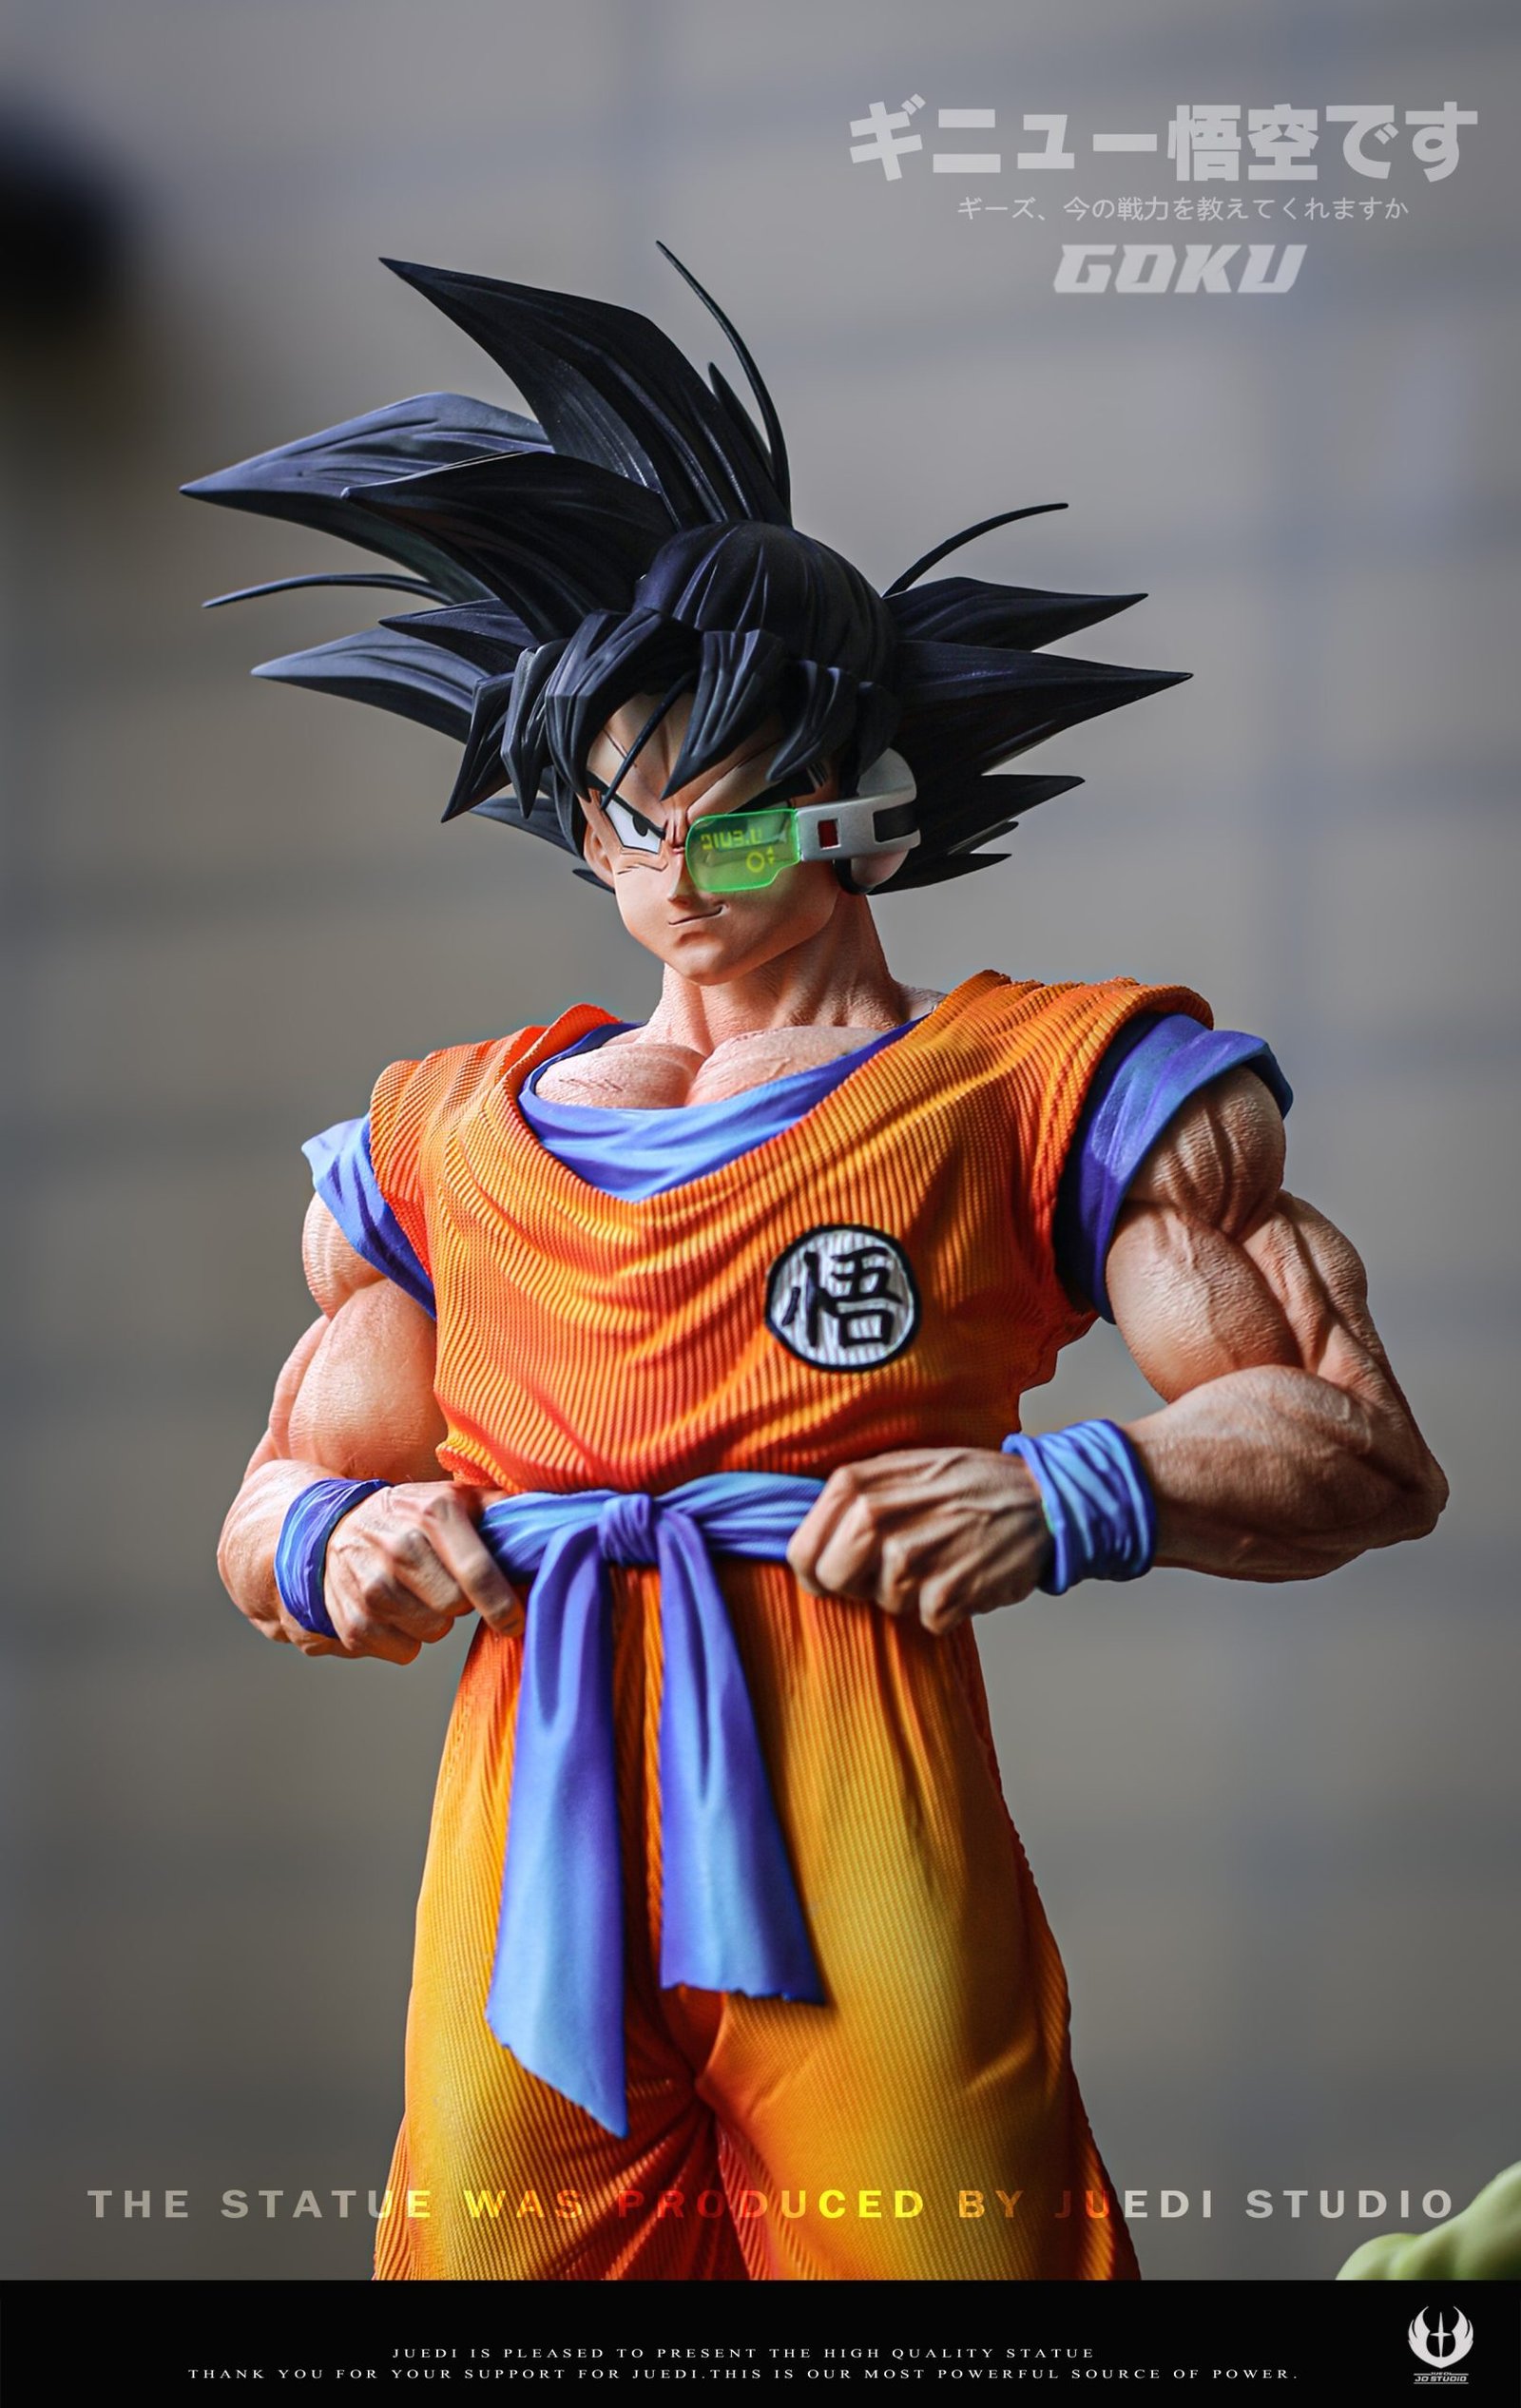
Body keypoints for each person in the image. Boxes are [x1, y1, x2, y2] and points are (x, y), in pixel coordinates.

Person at [194, 250, 1448, 2283]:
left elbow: (1356, 1448)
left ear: (863, 806)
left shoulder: (1044, 1084)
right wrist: (346, 1536)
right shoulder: (436, 1136)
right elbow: (270, 1510)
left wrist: (1075, 1489)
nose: (674, 869)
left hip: (857, 1781)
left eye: (734, 813)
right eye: (625, 816)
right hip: (529, 1800)